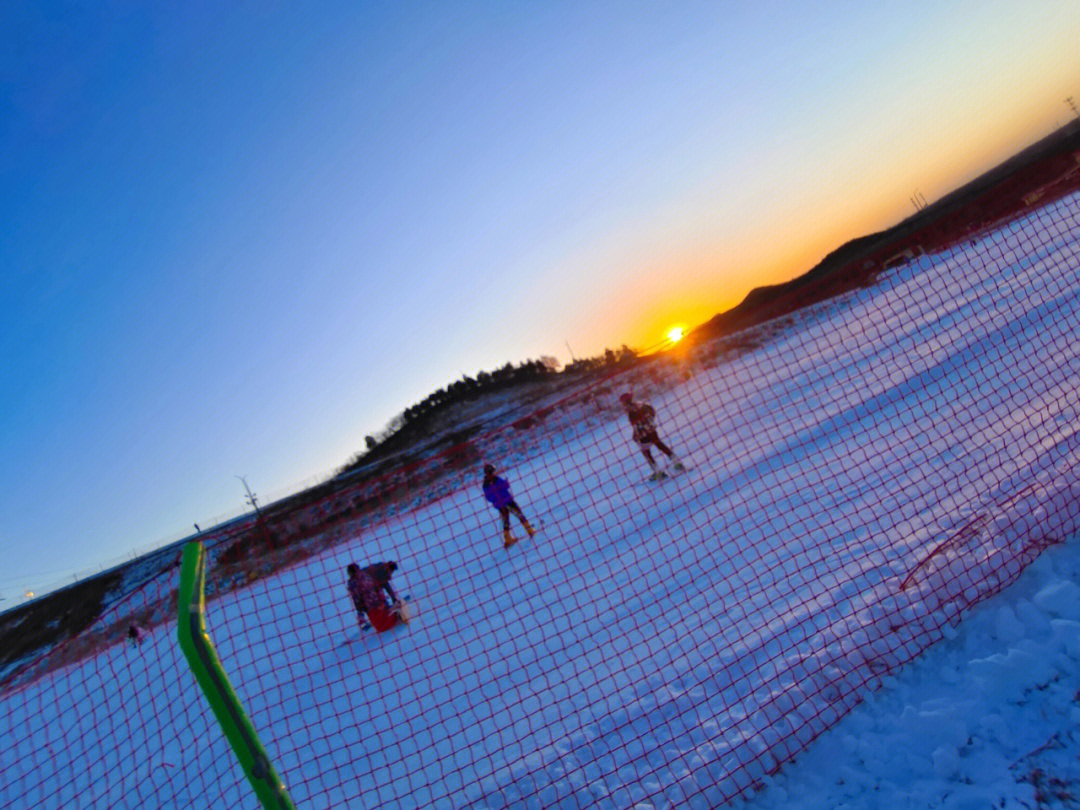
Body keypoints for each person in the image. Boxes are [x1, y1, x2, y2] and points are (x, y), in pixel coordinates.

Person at [619, 392, 685, 479]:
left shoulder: (630, 411)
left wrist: (635, 436)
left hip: (644, 435)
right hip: (652, 430)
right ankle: (677, 462)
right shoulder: (641, 404)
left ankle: (658, 472)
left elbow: (636, 426)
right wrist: (650, 422)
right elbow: (651, 410)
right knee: (660, 445)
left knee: (646, 453)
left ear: (624, 402)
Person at [482, 463, 536, 548]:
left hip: (500, 505)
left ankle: (508, 539)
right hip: (508, 501)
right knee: (519, 514)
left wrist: (496, 499)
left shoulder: (485, 485)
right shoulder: (496, 479)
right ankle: (529, 529)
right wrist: (505, 483)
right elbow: (506, 486)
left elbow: (488, 498)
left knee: (505, 519)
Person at [346, 561, 403, 632]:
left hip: (373, 605)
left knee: (381, 627)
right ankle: (391, 611)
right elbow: (383, 585)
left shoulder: (363, 577)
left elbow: (357, 600)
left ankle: (394, 614)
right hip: (373, 605)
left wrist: (361, 613)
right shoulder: (364, 577)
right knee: (381, 625)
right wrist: (389, 598)